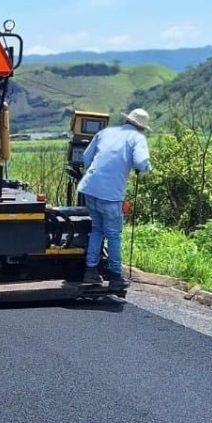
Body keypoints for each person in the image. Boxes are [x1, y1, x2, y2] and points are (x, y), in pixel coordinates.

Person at [77, 108, 152, 289]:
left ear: (127, 120)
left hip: (89, 188)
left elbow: (86, 157)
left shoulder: (105, 132)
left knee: (97, 230)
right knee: (113, 235)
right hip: (110, 195)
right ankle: (115, 276)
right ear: (141, 127)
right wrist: (144, 168)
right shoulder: (137, 138)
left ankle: (91, 272)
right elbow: (142, 163)